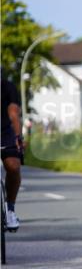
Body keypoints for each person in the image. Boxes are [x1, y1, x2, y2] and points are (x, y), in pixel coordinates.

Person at [1, 77, 24, 230]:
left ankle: (10, 210)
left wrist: (18, 138)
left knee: (14, 166)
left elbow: (14, 113)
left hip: (4, 132)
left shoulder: (7, 87)